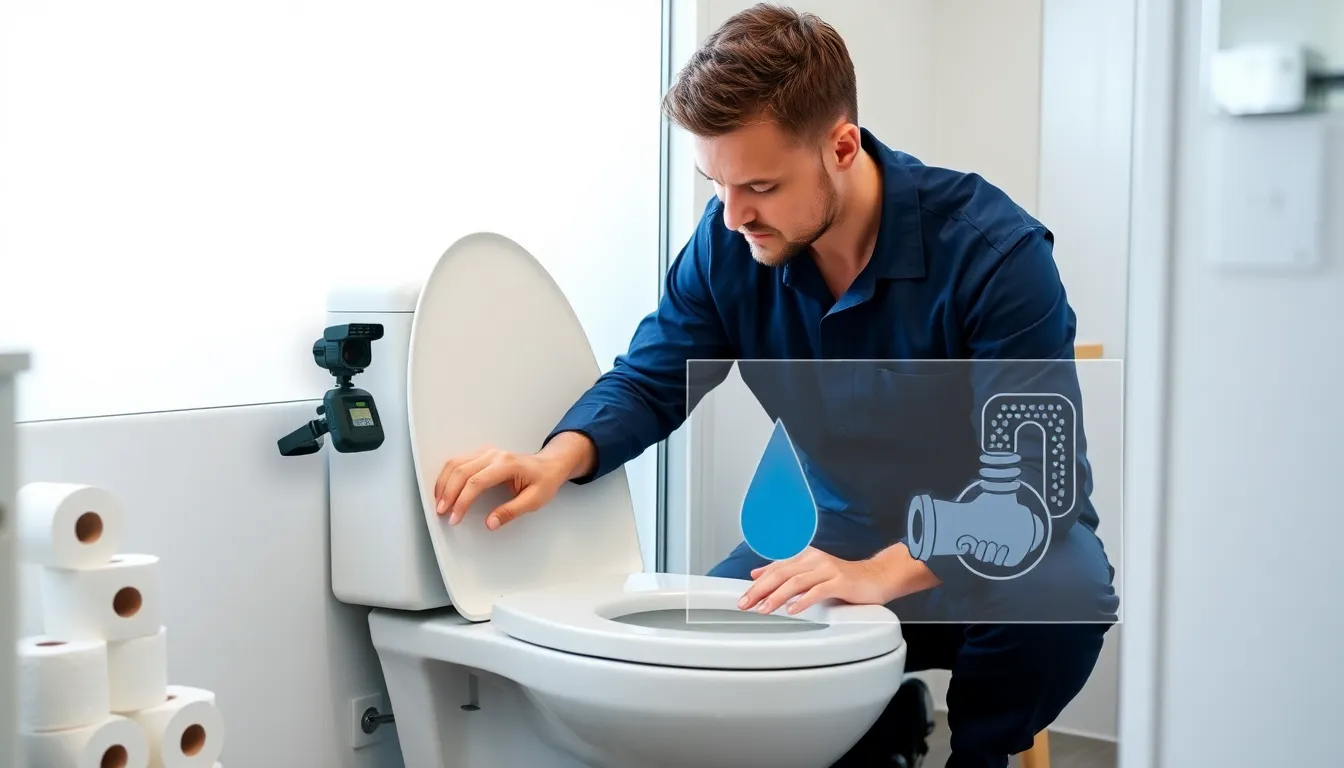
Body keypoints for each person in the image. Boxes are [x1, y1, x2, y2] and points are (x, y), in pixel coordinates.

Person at [432, 4, 1119, 767]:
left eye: (759, 184)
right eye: (715, 185)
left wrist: (877, 574)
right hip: (834, 536)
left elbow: (1030, 495)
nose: (732, 216)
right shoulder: (732, 241)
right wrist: (557, 458)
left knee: (1065, 597)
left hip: (981, 556)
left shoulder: (995, 254)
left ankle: (975, 756)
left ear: (842, 145)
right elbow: (654, 375)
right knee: (706, 663)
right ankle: (877, 728)